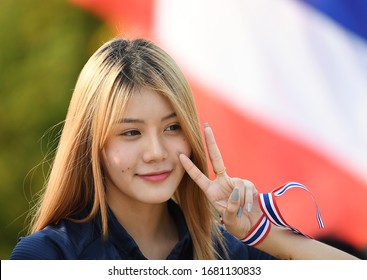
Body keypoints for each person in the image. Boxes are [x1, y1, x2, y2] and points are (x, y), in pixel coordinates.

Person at [10, 37, 358, 260]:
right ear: (91, 143)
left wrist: (261, 233)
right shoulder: (49, 256)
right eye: (131, 133)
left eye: (172, 127)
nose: (156, 152)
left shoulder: (229, 252)